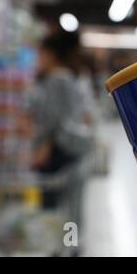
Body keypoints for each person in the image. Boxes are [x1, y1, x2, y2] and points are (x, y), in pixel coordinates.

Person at [20, 31, 92, 208]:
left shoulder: (57, 79)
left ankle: (61, 234)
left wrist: (44, 145)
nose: (38, 59)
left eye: (41, 54)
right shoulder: (67, 77)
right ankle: (68, 234)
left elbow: (53, 117)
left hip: (58, 149)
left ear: (51, 55)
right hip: (67, 148)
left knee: (52, 203)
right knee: (66, 203)